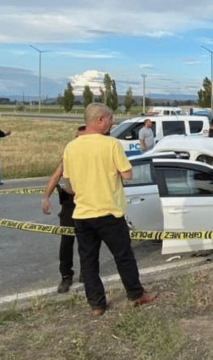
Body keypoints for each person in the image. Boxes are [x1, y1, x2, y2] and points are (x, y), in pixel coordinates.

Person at [63, 103, 157, 316]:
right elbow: (127, 174)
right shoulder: (111, 145)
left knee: (88, 262)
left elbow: (69, 185)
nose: (112, 123)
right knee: (123, 256)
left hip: (82, 215)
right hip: (109, 212)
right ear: (99, 120)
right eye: (110, 119)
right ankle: (136, 294)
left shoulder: (71, 147)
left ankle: (97, 304)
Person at [42, 125, 86, 293]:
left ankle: (86, 272)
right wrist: (45, 197)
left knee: (87, 240)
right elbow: (57, 175)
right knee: (67, 241)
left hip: (87, 202)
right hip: (70, 202)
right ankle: (66, 276)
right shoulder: (70, 154)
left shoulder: (94, 154)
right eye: (77, 137)